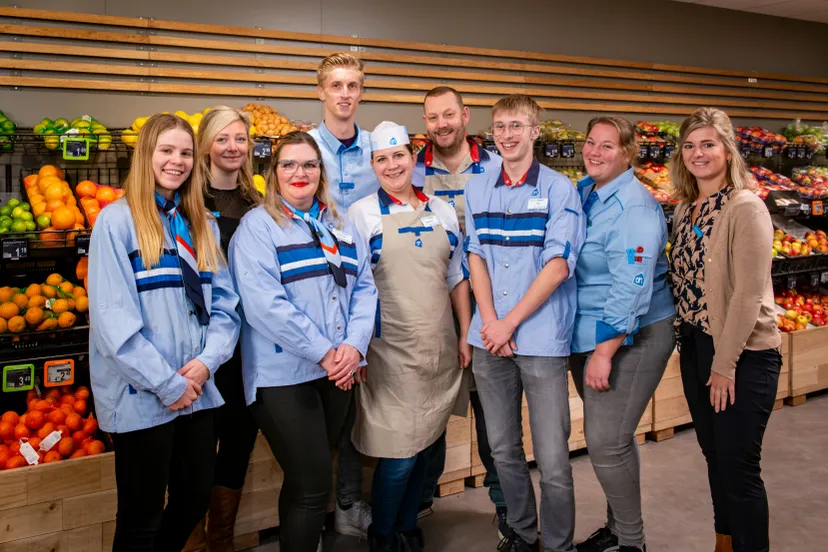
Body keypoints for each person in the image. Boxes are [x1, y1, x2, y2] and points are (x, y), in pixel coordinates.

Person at [88, 113, 241, 552]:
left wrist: (204, 364)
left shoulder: (201, 226)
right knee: (141, 516)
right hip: (143, 395)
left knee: (195, 497)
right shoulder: (116, 223)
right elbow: (113, 321)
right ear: (145, 156)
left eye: (186, 153)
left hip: (195, 391)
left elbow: (226, 308)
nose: (177, 161)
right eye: (166, 151)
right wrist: (167, 382)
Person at [229, 131, 377, 552]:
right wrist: (327, 353)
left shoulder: (341, 224)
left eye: (309, 164)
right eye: (289, 165)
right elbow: (265, 306)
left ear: (321, 172)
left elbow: (365, 287)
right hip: (282, 377)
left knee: (304, 483)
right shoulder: (257, 229)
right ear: (273, 174)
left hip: (336, 371)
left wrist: (353, 346)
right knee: (313, 486)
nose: (300, 173)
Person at [464, 94, 585, 552]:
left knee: (553, 457)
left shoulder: (559, 190)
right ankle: (522, 531)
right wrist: (490, 322)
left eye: (517, 126)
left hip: (539, 339)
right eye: (500, 127)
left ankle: (557, 545)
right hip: (489, 338)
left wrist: (508, 323)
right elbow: (474, 255)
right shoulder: (478, 187)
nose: (507, 135)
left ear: (536, 132)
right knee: (502, 450)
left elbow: (557, 265)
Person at [347, 121, 471, 552]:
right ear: (373, 165)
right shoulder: (361, 214)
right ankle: (383, 532)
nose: (392, 165)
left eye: (399, 155)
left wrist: (464, 334)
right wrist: (356, 349)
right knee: (399, 451)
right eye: (382, 158)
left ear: (412, 159)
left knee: (426, 444)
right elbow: (353, 287)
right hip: (388, 350)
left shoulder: (440, 209)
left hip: (437, 344)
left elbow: (456, 275)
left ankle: (406, 524)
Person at [669, 107, 781, 552]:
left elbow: (748, 296)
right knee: (716, 459)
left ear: (728, 149)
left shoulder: (746, 207)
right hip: (698, 349)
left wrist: (724, 364)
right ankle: (725, 542)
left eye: (708, 144)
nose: (699, 153)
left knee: (739, 468)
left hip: (742, 355)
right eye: (690, 145)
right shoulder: (683, 208)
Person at [569, 116, 676, 552]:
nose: (594, 152)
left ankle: (632, 542)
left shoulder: (634, 206)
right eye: (591, 143)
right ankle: (617, 530)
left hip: (631, 334)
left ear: (628, 153)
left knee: (606, 442)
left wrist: (604, 352)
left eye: (607, 146)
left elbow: (631, 286)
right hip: (589, 331)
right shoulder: (584, 192)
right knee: (615, 438)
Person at [412, 86, 507, 535]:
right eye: (433, 117)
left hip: (490, 305)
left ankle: (508, 509)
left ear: (465, 115)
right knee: (429, 408)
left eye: (449, 114)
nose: (442, 124)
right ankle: (418, 500)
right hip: (431, 307)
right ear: (425, 121)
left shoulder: (493, 165)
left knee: (494, 412)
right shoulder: (410, 168)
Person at [182, 106, 261, 552]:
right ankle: (191, 540)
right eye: (222, 138)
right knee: (195, 451)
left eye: (240, 139)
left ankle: (222, 540)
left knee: (236, 442)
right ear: (206, 144)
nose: (232, 147)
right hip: (198, 342)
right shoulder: (189, 201)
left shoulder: (255, 203)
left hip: (245, 344)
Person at [308, 52, 380, 538]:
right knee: (322, 401)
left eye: (353, 85)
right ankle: (316, 506)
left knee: (356, 398)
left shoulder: (379, 147)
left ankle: (351, 501)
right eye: (336, 85)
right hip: (312, 285)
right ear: (321, 92)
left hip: (367, 284)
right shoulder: (304, 145)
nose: (345, 94)